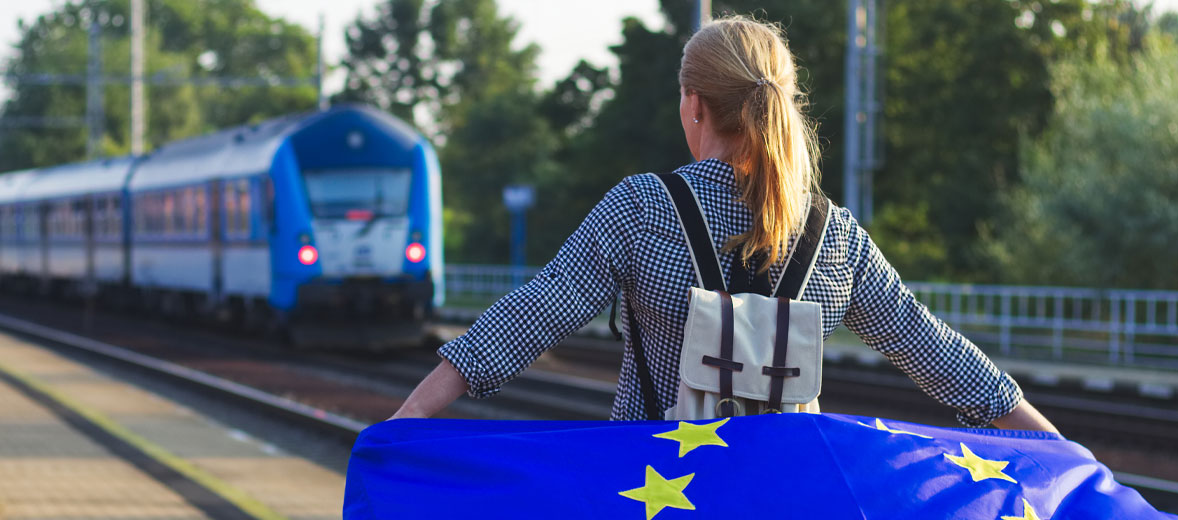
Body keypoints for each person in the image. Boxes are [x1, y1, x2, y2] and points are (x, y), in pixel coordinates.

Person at [390, 16, 1058, 433]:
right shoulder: (835, 236)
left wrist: (410, 415)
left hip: (658, 492)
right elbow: (931, 349)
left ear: (694, 105)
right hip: (782, 498)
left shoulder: (643, 209)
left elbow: (532, 316)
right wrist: (1056, 445)